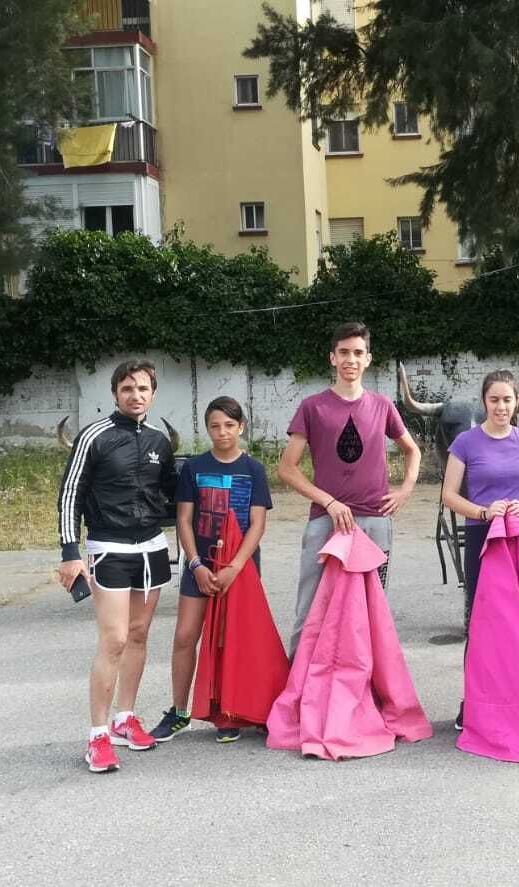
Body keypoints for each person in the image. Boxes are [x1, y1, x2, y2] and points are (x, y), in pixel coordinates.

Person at [56, 359, 178, 774]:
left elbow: (173, 496)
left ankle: (126, 718)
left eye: (143, 388)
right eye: (128, 388)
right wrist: (69, 551)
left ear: (153, 393)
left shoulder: (162, 443)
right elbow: (70, 493)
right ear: (115, 394)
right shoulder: (94, 436)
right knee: (114, 639)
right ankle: (97, 735)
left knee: (140, 635)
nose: (136, 395)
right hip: (108, 548)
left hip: (153, 549)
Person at [278, 322, 422, 653]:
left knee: (372, 611)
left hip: (375, 520)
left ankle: (367, 690)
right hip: (325, 521)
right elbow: (287, 468)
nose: (350, 360)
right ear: (332, 358)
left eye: (358, 353)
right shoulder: (312, 407)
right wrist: (329, 502)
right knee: (310, 608)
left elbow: (412, 450)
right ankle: (297, 689)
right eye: (344, 352)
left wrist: (405, 489)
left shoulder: (383, 405)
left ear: (368, 359)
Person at [149, 397, 273, 744]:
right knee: (185, 636)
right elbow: (184, 520)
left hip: (240, 569)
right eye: (215, 426)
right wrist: (195, 564)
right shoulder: (194, 468)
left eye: (229, 426)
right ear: (207, 429)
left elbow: (257, 525)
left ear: (241, 427)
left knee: (228, 641)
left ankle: (228, 711)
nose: (222, 432)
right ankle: (178, 711)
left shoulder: (255, 470)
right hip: (199, 566)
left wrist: (234, 567)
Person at [441, 369, 519, 731]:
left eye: (507, 399)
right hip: (482, 536)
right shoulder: (466, 444)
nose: (501, 406)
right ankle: (473, 700)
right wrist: (483, 512)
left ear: (516, 401)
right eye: (494, 399)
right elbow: (449, 495)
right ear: (484, 402)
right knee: (482, 621)